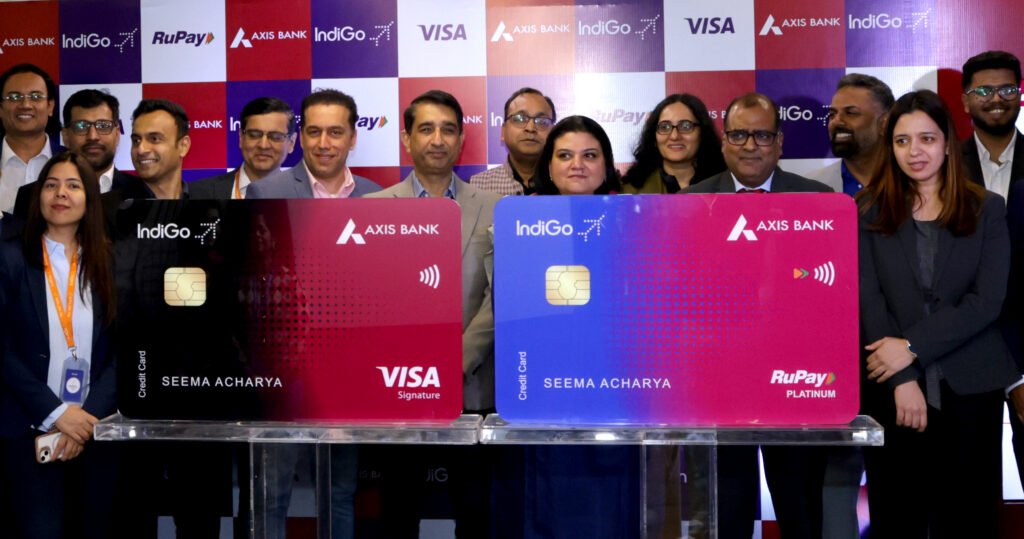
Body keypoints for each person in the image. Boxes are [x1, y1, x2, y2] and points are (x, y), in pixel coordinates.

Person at [857, 89, 1019, 538]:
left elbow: (987, 301)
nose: (915, 152)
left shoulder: (986, 208)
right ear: (890, 146)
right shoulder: (865, 210)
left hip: (971, 387)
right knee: (897, 516)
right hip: (891, 389)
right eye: (902, 141)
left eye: (926, 138)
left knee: (968, 518)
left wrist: (911, 348)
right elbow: (869, 302)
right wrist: (902, 378)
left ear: (948, 143)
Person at [683, 92, 831, 539]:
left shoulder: (819, 201)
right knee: (726, 515)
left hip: (796, 384)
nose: (750, 145)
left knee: (800, 512)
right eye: (739, 134)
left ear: (780, 143)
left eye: (762, 135)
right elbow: (679, 299)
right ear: (724, 142)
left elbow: (830, 299)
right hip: (719, 386)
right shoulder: (691, 204)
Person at [365, 90, 500, 537]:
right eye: (425, 128)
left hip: (472, 387)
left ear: (462, 139)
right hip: (399, 389)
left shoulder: (493, 208)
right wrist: (414, 364)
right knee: (398, 515)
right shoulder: (372, 211)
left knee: (475, 513)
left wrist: (457, 358)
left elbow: (500, 296)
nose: (437, 139)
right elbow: (368, 300)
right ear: (406, 139)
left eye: (447, 129)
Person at [0, 150, 119, 538]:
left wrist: (84, 420)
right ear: (38, 197)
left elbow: (124, 351)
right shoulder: (10, 258)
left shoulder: (110, 261)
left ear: (89, 198)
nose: (60, 194)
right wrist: (56, 413)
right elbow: (3, 351)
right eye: (50, 185)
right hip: (29, 429)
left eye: (72, 185)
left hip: (95, 431)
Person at [13, 89, 137, 218]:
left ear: (117, 135)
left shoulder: (142, 193)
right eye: (81, 126)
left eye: (103, 126)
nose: (93, 136)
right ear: (65, 136)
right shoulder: (31, 196)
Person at [246, 89, 381, 199]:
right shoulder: (265, 194)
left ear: (352, 139)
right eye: (314, 132)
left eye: (335, 132)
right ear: (302, 137)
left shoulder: (375, 195)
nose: (323, 144)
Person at [190, 97, 297, 199]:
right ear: (241, 137)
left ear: (291, 143)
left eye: (275, 137)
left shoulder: (308, 195)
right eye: (254, 135)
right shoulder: (196, 193)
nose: (263, 145)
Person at [621, 93, 726, 193]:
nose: (674, 136)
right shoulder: (631, 192)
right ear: (654, 137)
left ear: (703, 132)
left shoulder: (729, 185)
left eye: (686, 126)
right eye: (665, 127)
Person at [810, 73, 895, 196]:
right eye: (832, 114)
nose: (836, 121)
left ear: (884, 123)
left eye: (850, 113)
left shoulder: (915, 183)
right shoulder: (811, 188)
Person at [469, 87, 556, 195]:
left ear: (553, 132)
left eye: (542, 121)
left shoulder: (566, 184)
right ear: (503, 131)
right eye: (519, 119)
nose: (530, 128)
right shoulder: (476, 187)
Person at [0, 63, 59, 213]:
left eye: (36, 97)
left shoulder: (73, 163)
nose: (25, 105)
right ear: (0, 108)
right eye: (14, 97)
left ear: (50, 106)